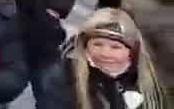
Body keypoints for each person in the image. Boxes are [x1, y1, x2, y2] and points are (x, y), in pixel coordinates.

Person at [39, 8, 167, 109]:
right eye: (97, 44)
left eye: (115, 47)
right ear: (85, 45)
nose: (105, 53)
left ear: (131, 51)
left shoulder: (144, 79)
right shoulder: (64, 76)